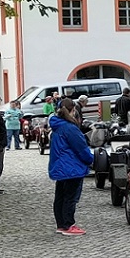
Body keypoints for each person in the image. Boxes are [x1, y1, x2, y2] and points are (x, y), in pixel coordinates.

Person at [48, 98, 94, 236]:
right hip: (72, 167)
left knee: (60, 196)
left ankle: (61, 224)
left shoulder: (57, 126)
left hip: (60, 166)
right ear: (73, 110)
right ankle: (68, 224)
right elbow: (81, 148)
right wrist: (91, 159)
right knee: (70, 197)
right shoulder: (70, 128)